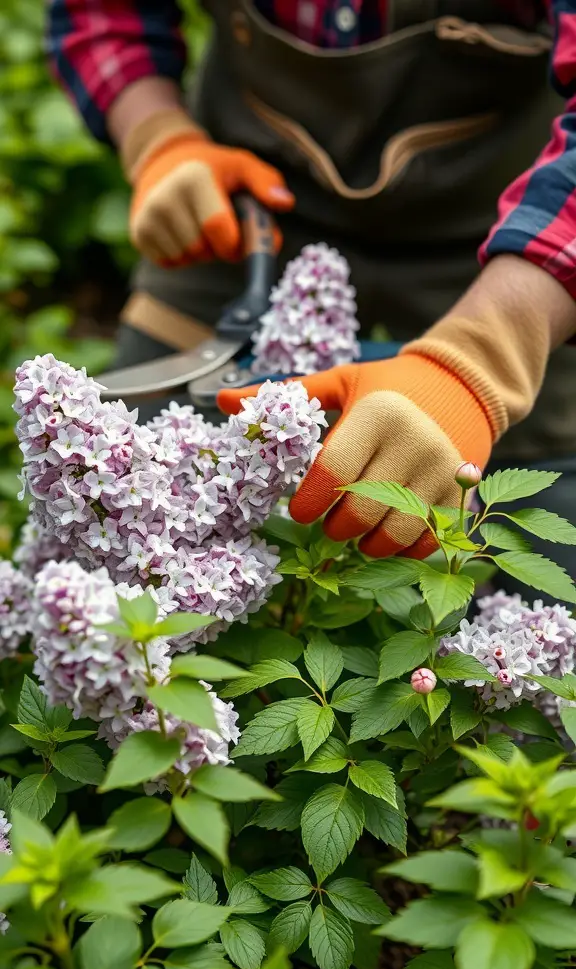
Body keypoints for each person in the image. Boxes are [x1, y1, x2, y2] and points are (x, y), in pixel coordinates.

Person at [47, 0, 576, 582]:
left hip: (521, 251)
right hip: (240, 220)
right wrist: (158, 139)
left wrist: (484, 359)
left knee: (536, 566)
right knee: (111, 522)